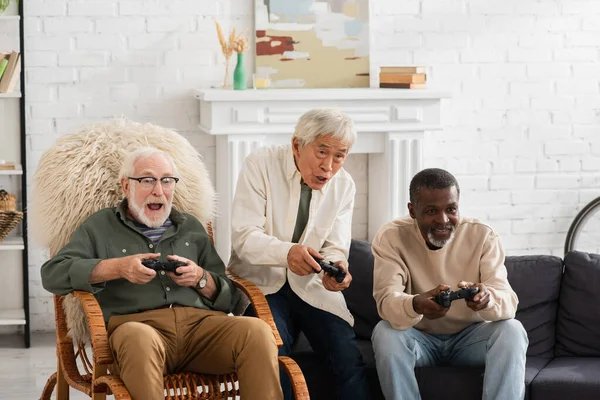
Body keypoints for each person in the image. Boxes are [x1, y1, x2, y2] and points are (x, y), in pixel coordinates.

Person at [41, 147, 282, 400]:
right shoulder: (99, 226)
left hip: (202, 330)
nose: (159, 190)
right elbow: (53, 274)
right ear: (126, 186)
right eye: (147, 180)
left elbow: (229, 298)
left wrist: (200, 278)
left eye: (166, 180)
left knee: (256, 331)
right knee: (139, 338)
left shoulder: (191, 226)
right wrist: (118, 267)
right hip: (136, 330)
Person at [228, 108, 371, 399]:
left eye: (339, 156)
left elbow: (335, 246)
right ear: (297, 145)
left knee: (346, 356)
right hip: (261, 284)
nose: (328, 166)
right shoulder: (261, 164)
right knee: (274, 353)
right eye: (321, 152)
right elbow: (244, 237)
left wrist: (337, 269)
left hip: (312, 285)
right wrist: (287, 253)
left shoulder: (344, 186)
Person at [371, 168, 528, 400]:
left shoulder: (483, 236)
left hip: (472, 339)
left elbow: (508, 302)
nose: (443, 220)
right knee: (384, 333)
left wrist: (488, 298)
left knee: (513, 330)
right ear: (412, 211)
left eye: (451, 209)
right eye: (432, 211)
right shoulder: (391, 237)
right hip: (418, 339)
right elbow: (386, 300)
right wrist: (415, 304)